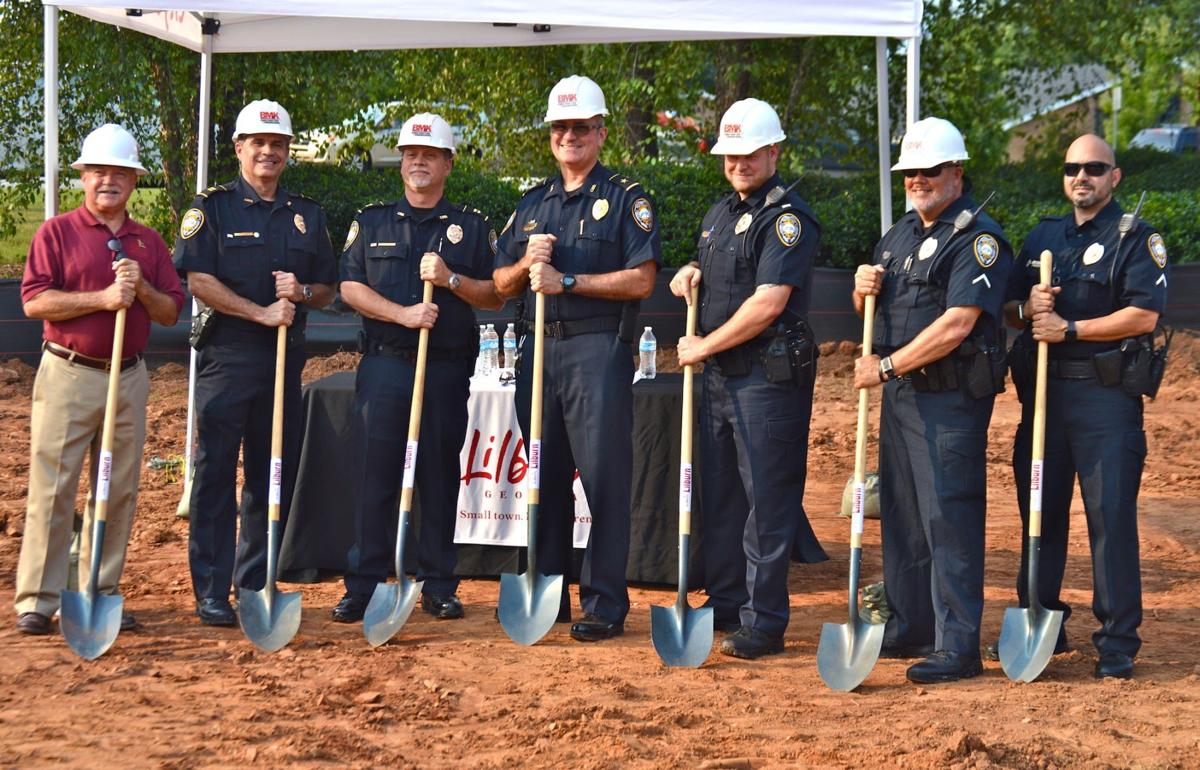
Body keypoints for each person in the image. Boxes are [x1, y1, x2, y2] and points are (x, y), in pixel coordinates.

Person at [493, 75, 661, 641]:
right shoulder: (532, 203)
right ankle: (548, 594)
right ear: (551, 135)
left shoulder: (626, 199)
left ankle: (605, 602)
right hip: (538, 350)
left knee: (603, 479)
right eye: (561, 127)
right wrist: (524, 268)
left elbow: (641, 279)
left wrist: (567, 278)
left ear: (600, 132)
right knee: (543, 474)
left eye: (581, 127)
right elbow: (500, 281)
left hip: (596, 351)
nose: (570, 136)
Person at [851, 117, 1012, 683]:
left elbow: (957, 325)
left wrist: (888, 365)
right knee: (902, 515)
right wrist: (860, 288)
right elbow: (879, 310)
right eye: (911, 172)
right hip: (900, 399)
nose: (919, 179)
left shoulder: (978, 240)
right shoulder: (898, 236)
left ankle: (958, 645)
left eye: (931, 169)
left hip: (948, 404)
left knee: (948, 517)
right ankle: (911, 625)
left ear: (956, 172)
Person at [1003, 134, 1166, 680]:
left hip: (1105, 401)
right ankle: (1042, 619)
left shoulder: (1135, 240)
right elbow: (1006, 309)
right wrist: (1027, 308)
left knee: (1110, 519)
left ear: (1114, 177)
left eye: (1094, 168)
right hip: (1045, 400)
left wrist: (1069, 328)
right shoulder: (1043, 236)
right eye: (1073, 168)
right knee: (1038, 517)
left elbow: (1143, 316)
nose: (1082, 177)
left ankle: (1117, 641)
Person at [669, 98, 826, 659]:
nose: (739, 162)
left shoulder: (787, 218)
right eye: (730, 153)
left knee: (768, 500)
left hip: (765, 380)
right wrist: (689, 273)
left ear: (773, 151)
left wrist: (703, 345)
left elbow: (768, 303)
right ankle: (729, 603)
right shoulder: (720, 213)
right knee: (723, 498)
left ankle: (765, 622)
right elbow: (711, 271)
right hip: (718, 380)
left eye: (750, 152)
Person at [331, 113, 502, 623]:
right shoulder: (373, 219)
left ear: (448, 163)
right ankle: (364, 584)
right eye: (411, 154)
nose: (419, 161)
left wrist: (450, 280)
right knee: (375, 477)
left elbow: (494, 295)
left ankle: (439, 583)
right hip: (385, 366)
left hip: (446, 370)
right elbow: (350, 287)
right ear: (401, 162)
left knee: (438, 475)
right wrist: (403, 314)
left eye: (429, 154)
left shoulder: (471, 227)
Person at [15, 124, 184, 635]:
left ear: (135, 180)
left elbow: (172, 311)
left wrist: (141, 287)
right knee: (54, 487)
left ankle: (99, 589)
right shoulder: (56, 233)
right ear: (83, 178)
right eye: (99, 172)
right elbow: (34, 301)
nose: (108, 180)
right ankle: (39, 600)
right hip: (68, 374)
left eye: (120, 173)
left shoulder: (148, 242)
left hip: (128, 378)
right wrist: (104, 298)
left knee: (116, 487)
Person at [173, 99, 336, 626]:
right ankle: (212, 589)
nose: (268, 151)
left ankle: (255, 582)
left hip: (284, 360)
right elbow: (197, 280)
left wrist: (303, 291)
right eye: (258, 143)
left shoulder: (307, 215)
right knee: (215, 472)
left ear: (288, 152)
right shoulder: (212, 208)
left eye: (277, 144)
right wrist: (259, 312)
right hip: (229, 356)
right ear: (239, 148)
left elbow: (329, 290)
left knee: (270, 473)